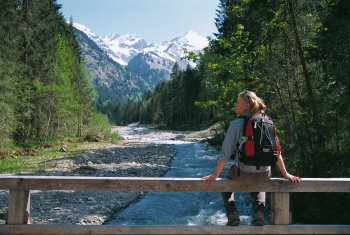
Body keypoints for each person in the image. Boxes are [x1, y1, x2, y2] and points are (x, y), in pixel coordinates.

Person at [202, 90, 300, 226]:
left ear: (247, 105)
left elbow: (226, 153)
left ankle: (232, 213)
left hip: (242, 174)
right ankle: (258, 213)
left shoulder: (236, 124)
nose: (235, 104)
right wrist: (285, 173)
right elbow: (276, 152)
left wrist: (215, 174)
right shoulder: (268, 122)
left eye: (238, 102)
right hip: (264, 174)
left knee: (225, 182)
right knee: (260, 187)